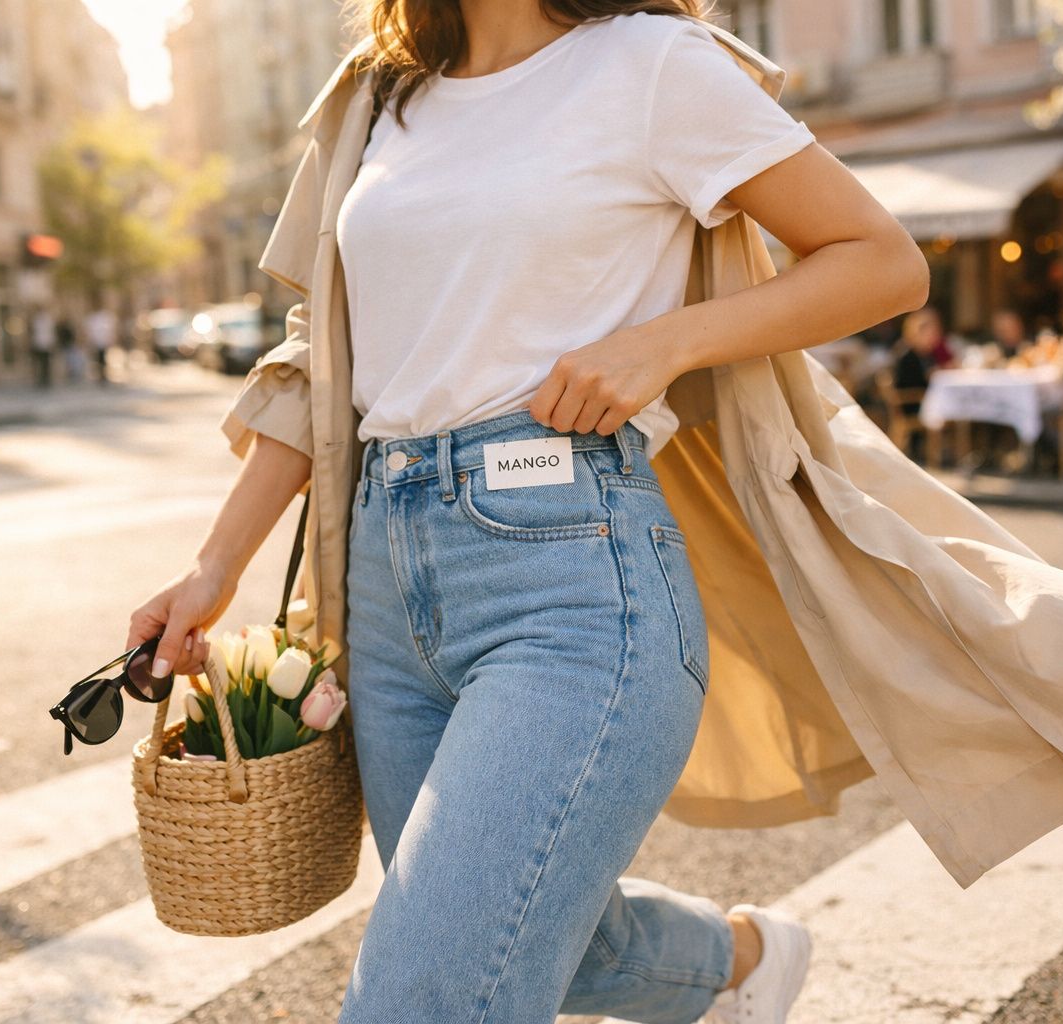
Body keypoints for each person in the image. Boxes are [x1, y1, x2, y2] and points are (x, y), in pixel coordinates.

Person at [127, 7, 930, 1022]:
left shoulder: (648, 63)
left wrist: (663, 346)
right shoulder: (379, 92)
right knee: (544, 936)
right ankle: (740, 961)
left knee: (421, 996)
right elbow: (320, 363)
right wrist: (213, 568)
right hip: (380, 585)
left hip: (570, 575)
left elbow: (879, 256)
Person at [84, 306, 116, 386]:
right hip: (97, 342)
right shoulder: (94, 318)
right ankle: (100, 376)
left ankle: (103, 376)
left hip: (102, 342)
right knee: (98, 360)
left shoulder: (103, 317)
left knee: (102, 359)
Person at [31, 309, 56, 389]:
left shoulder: (48, 321)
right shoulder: (36, 321)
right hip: (38, 345)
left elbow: (51, 333)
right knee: (40, 363)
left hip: (46, 345)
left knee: (46, 363)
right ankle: (41, 378)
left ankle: (46, 378)